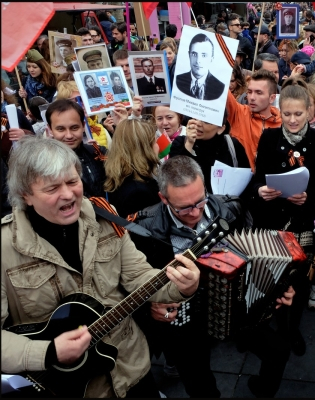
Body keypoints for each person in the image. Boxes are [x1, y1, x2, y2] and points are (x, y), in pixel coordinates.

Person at [1, 136, 201, 398]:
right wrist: (48, 352)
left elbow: (139, 276)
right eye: (52, 189)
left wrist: (182, 287)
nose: (68, 194)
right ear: (25, 195)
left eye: (73, 181)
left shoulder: (104, 217)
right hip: (68, 386)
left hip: (130, 368)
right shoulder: (5, 248)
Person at [128, 155, 295, 398]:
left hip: (234, 306)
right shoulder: (142, 229)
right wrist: (150, 306)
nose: (195, 212)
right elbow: (129, 283)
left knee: (279, 351)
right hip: (186, 320)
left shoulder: (231, 208)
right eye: (183, 207)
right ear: (163, 198)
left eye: (200, 201)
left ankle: (262, 389)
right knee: (201, 387)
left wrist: (278, 287)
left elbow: (255, 255)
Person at [250, 84, 315, 357]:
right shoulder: (268, 137)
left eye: (298, 113)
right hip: (271, 222)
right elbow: (259, 178)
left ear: (309, 111)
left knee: (297, 282)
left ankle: (291, 329)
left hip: (302, 224)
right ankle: (264, 327)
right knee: (268, 278)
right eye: (287, 114)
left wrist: (307, 199)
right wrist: (261, 190)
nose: (293, 120)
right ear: (279, 111)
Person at [169, 113, 250, 193]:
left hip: (226, 203)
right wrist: (189, 144)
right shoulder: (180, 143)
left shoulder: (231, 145)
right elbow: (176, 178)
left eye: (206, 121)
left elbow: (246, 180)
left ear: (221, 128)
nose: (199, 124)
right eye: (196, 118)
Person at [45, 99, 107, 198]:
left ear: (83, 126)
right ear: (50, 129)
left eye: (74, 128)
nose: (69, 135)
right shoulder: (43, 165)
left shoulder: (98, 153)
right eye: (61, 129)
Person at [226, 69, 281, 170]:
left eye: (259, 93)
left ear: (272, 98)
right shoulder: (238, 113)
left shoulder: (282, 124)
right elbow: (220, 85)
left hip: (268, 183)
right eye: (249, 92)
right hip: (240, 182)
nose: (252, 97)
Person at [104, 119, 161, 218]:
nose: (158, 146)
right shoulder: (138, 193)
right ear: (145, 148)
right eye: (155, 141)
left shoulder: (121, 176)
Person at [176, 33, 225, 101]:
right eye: (194, 54)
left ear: (211, 58)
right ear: (189, 55)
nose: (198, 61)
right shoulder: (177, 81)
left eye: (204, 55)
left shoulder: (220, 87)